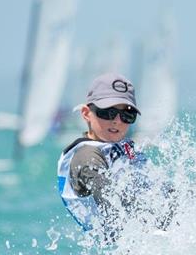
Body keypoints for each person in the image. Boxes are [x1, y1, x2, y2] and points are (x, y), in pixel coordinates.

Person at [57, 73, 149, 234]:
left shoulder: (125, 147)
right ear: (86, 113)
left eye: (127, 115)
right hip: (127, 241)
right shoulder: (85, 155)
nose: (117, 121)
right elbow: (106, 194)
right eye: (107, 112)